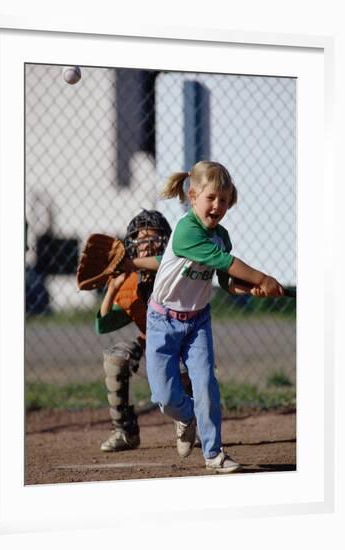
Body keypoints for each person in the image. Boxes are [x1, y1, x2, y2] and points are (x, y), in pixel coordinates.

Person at [145, 161, 285, 473]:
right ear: (192, 196)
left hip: (197, 321)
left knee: (206, 383)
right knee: (164, 396)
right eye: (211, 198)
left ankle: (213, 453)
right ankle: (186, 416)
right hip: (162, 321)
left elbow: (226, 280)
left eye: (223, 199)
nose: (217, 205)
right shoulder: (186, 231)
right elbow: (226, 261)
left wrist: (250, 289)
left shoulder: (221, 235)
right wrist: (262, 277)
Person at [95, 209, 193, 452]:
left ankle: (190, 422)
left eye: (154, 239)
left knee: (183, 368)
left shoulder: (175, 272)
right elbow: (103, 324)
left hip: (181, 341)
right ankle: (124, 431)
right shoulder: (129, 280)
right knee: (116, 359)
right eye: (141, 240)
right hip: (150, 341)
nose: (147, 246)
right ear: (132, 246)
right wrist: (113, 287)